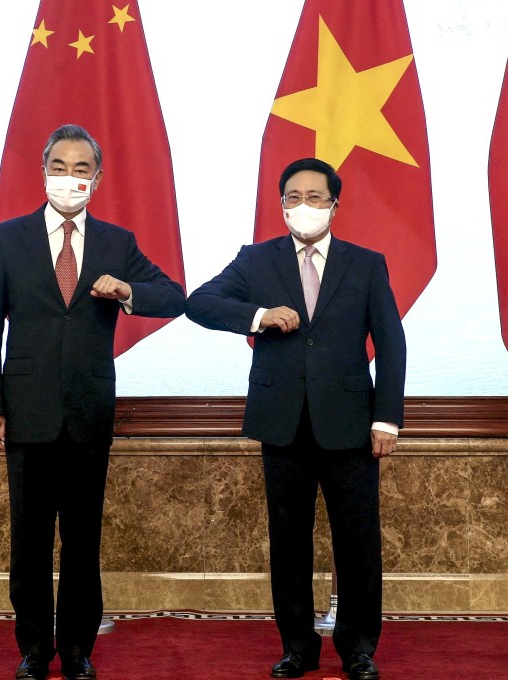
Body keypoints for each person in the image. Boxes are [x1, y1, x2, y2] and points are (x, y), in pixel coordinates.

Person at [0, 124, 185, 680]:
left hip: (89, 411)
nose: (71, 177)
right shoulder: (7, 238)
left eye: (82, 168)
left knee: (82, 542)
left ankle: (77, 651)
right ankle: (33, 650)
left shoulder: (117, 242)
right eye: (61, 166)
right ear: (44, 171)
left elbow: (174, 296)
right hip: (25, 409)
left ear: (98, 176)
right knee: (30, 542)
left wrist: (127, 291)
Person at [185, 158, 406, 680]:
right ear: (280, 203)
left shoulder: (366, 263)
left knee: (358, 540)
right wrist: (258, 317)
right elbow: (200, 303)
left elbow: (391, 342)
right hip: (282, 420)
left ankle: (358, 649)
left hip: (351, 422)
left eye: (314, 196)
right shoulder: (256, 260)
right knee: (289, 540)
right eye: (292, 197)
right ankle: (298, 649)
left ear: (335, 203)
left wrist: (387, 419)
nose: (302, 206)